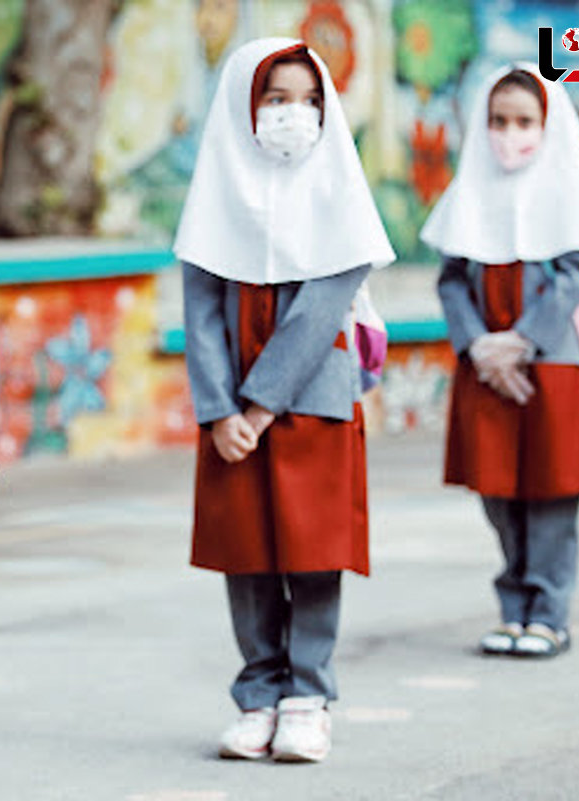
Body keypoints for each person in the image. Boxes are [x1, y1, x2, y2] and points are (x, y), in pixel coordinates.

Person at [174, 38, 394, 763]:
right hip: (230, 411)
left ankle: (308, 694)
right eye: (275, 99)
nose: (293, 114)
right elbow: (201, 311)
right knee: (248, 555)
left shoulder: (340, 193)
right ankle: (258, 692)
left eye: (308, 100)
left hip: (313, 401)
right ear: (244, 107)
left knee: (312, 551)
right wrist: (218, 410)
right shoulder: (215, 191)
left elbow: (319, 311)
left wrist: (259, 405)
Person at [421, 63, 579, 659]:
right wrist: (481, 347)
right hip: (485, 368)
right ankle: (513, 607)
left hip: (553, 366)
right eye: (498, 121)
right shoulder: (469, 193)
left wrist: (522, 341)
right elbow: (453, 279)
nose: (510, 134)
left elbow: (571, 280)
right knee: (498, 493)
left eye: (524, 121)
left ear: (548, 124)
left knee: (552, 495)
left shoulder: (571, 193)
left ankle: (549, 613)